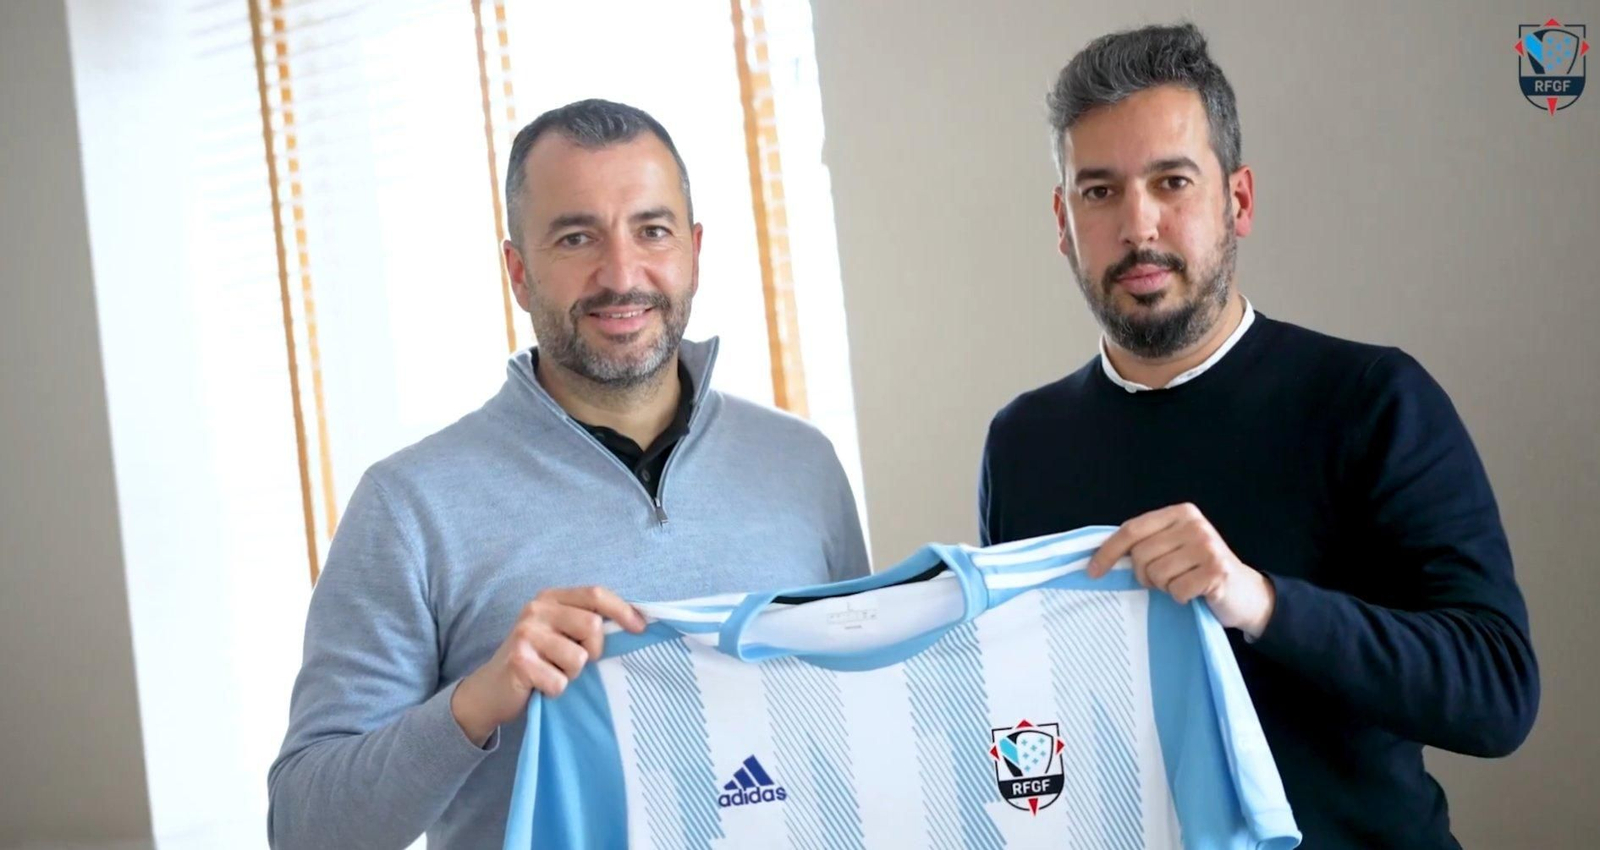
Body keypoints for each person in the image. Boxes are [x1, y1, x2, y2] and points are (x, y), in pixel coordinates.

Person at [979, 23, 1537, 848]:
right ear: (1063, 220)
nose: (1139, 227)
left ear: (1237, 200)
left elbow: (1497, 693)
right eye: (1099, 192)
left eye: (1172, 182)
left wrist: (1262, 603)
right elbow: (1025, 715)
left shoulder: (1373, 400)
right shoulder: (1023, 443)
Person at [268, 98, 869, 850]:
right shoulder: (408, 507)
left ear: (695, 249)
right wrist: (476, 703)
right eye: (576, 237)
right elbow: (306, 828)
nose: (621, 275)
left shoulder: (803, 465)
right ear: (518, 271)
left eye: (652, 230)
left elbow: (862, 736)